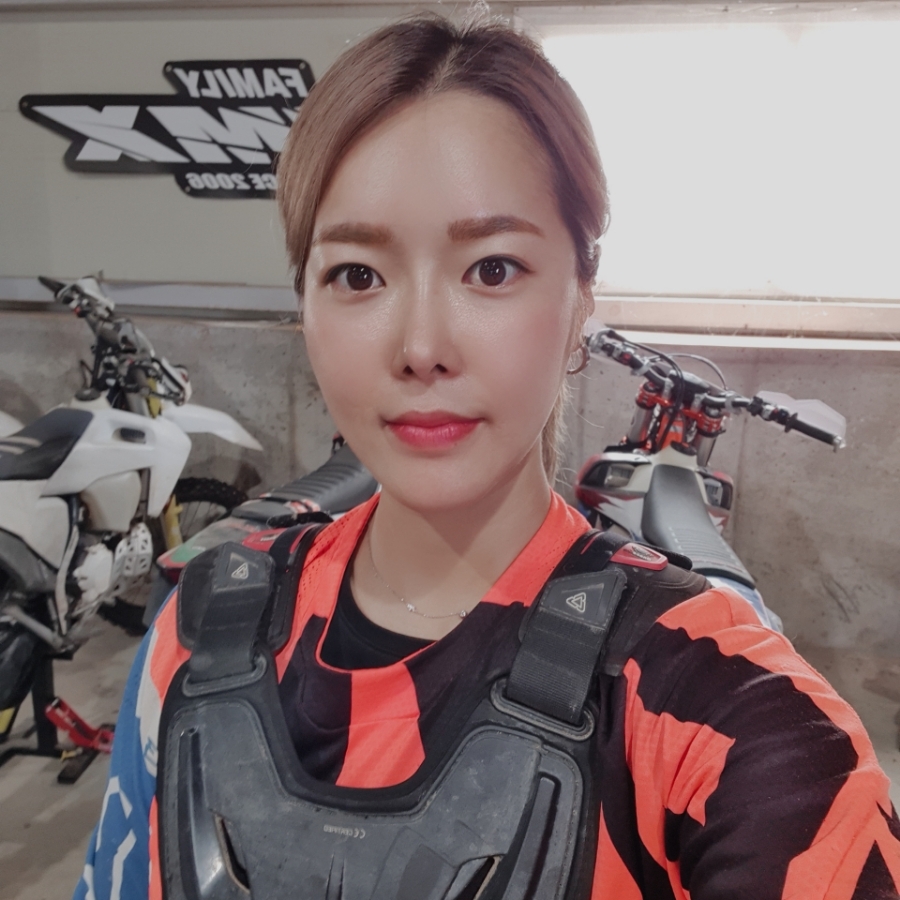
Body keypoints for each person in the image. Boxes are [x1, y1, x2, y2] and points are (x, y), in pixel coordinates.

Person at [75, 13, 900, 900]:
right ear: (304, 303)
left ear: (581, 297)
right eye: (358, 275)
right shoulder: (202, 631)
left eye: (493, 269)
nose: (422, 347)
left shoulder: (723, 709)